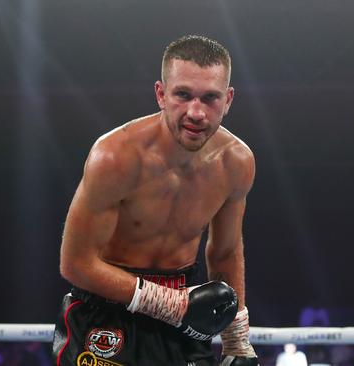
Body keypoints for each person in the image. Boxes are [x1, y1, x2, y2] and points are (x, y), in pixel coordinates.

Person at [53, 35, 259, 366]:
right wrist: (170, 304)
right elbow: (75, 263)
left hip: (185, 315)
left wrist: (236, 341)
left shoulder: (236, 162)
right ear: (161, 94)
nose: (196, 112)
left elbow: (225, 252)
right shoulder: (115, 157)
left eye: (210, 98)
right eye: (183, 95)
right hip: (107, 310)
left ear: (228, 100)